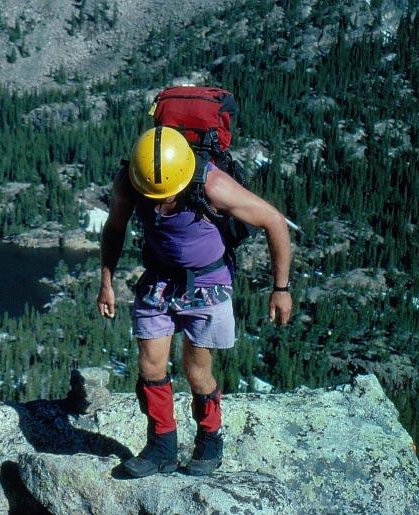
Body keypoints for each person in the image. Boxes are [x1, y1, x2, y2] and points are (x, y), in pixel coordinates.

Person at [97, 126, 292, 477]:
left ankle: (209, 438)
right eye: (152, 195)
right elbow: (114, 227)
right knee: (150, 367)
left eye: (166, 195)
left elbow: (274, 221)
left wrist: (281, 288)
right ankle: (161, 447)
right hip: (159, 280)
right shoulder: (130, 181)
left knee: (197, 372)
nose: (158, 203)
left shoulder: (213, 186)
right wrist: (106, 281)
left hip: (207, 284)